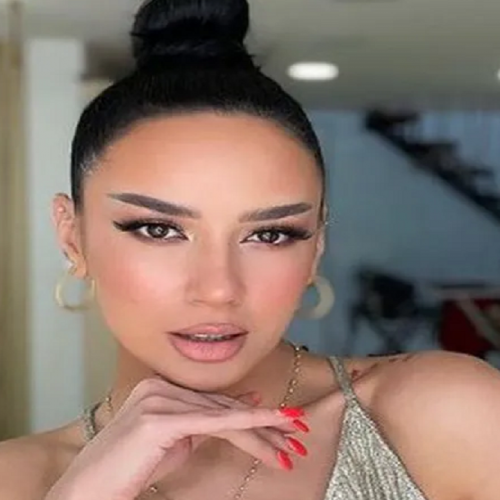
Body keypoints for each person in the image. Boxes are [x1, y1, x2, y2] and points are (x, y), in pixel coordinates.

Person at [1, 0, 500, 499]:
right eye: (158, 230)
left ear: (316, 245)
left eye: (270, 234)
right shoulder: (17, 477)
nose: (218, 289)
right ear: (72, 236)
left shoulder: (444, 415)